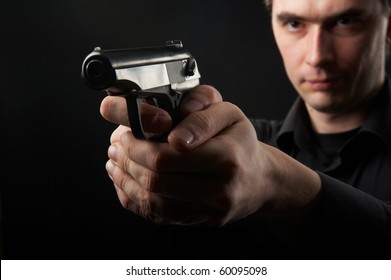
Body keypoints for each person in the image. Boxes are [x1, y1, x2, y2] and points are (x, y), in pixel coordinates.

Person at [99, 0, 391, 258]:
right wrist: (154, 166)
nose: (317, 56)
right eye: (294, 23)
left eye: (345, 21)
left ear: (388, 27)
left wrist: (280, 184)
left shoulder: (249, 161)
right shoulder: (232, 155)